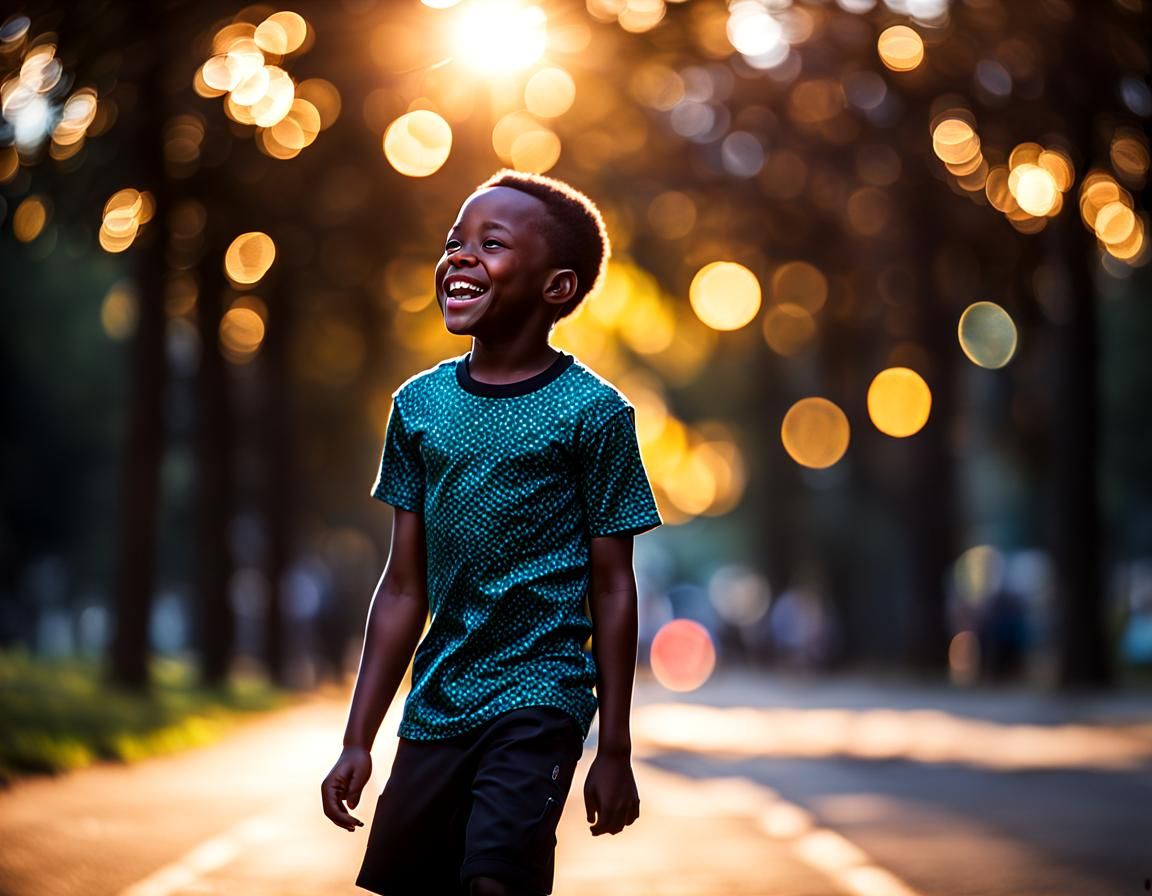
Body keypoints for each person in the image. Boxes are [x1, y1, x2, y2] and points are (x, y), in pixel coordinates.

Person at [320, 168, 664, 896]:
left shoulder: (595, 415)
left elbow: (613, 584)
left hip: (543, 693)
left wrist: (615, 747)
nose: (461, 257)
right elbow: (404, 586)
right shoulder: (417, 407)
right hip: (439, 696)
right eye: (455, 243)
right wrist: (359, 737)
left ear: (557, 288)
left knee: (493, 880)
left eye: (492, 243)